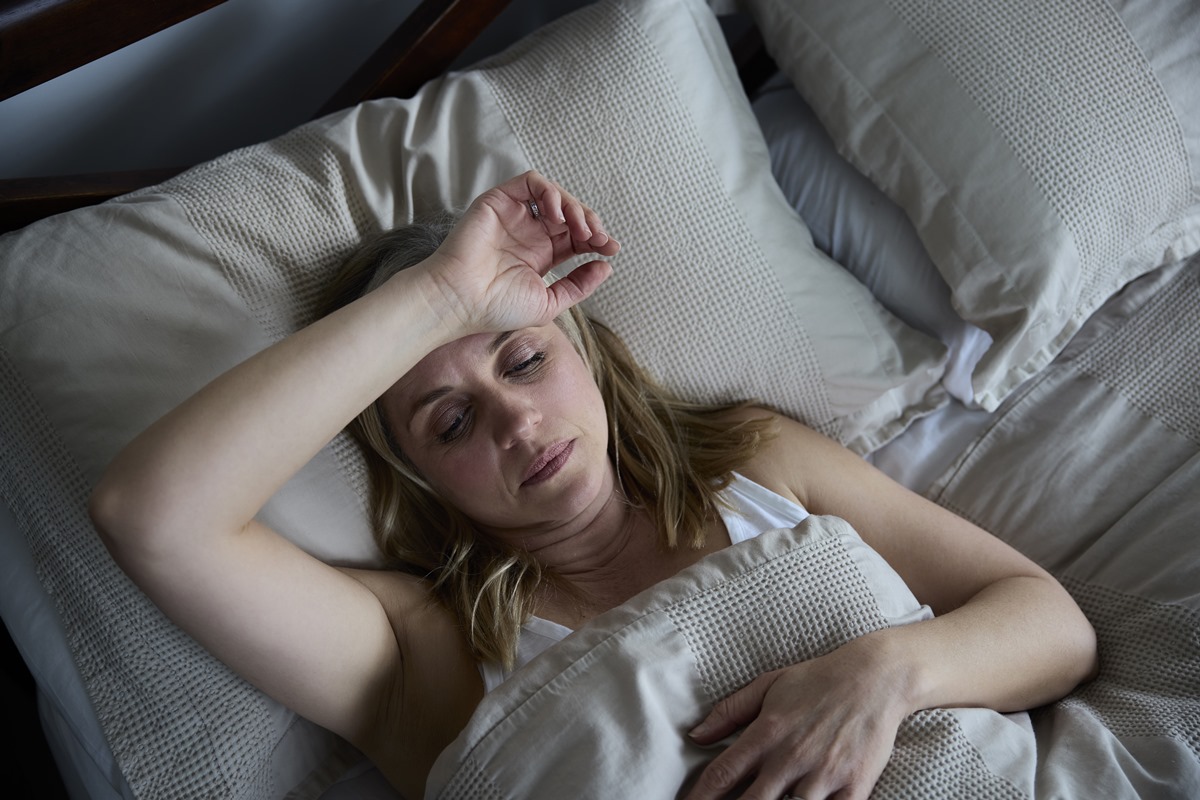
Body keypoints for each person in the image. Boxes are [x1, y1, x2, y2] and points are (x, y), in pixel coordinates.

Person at [90, 171, 1098, 800]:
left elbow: (1050, 623)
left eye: (523, 362)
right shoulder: (418, 647)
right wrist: (440, 296)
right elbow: (154, 515)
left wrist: (883, 672)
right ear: (420, 477)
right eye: (448, 420)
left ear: (587, 352)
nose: (515, 420)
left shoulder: (755, 460)